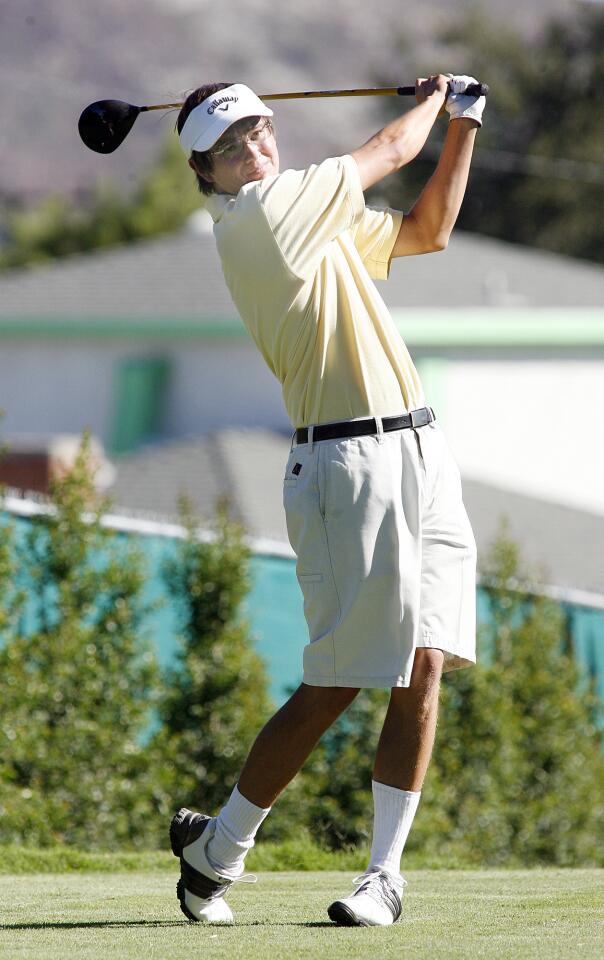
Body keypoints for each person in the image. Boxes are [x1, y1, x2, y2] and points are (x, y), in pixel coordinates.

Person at [170, 73, 484, 927]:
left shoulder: (307, 209)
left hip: (421, 447)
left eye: (262, 132)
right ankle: (219, 849)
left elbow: (428, 230)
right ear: (207, 172)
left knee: (425, 662)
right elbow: (389, 150)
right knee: (340, 680)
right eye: (232, 147)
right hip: (346, 465)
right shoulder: (264, 218)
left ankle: (382, 876)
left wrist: (466, 125)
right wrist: (439, 99)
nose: (255, 151)